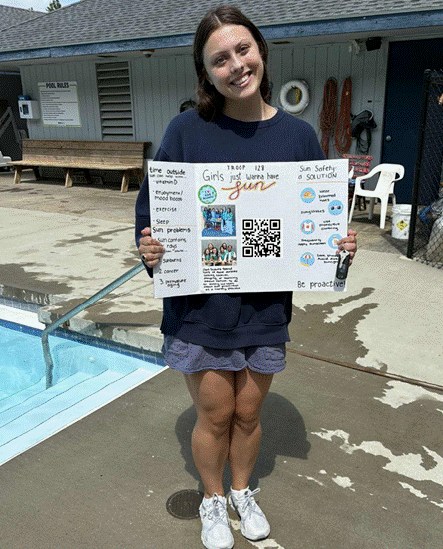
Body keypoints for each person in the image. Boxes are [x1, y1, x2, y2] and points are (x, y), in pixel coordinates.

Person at [136, 6, 357, 549]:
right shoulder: (187, 131)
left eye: (243, 50)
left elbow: (315, 223)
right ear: (206, 73)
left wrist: (336, 249)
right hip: (201, 307)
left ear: (261, 50)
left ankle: (241, 490)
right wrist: (150, 245)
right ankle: (212, 499)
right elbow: (152, 213)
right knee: (216, 415)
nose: (236, 65)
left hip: (264, 307)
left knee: (250, 414)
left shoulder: (298, 137)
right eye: (220, 60)